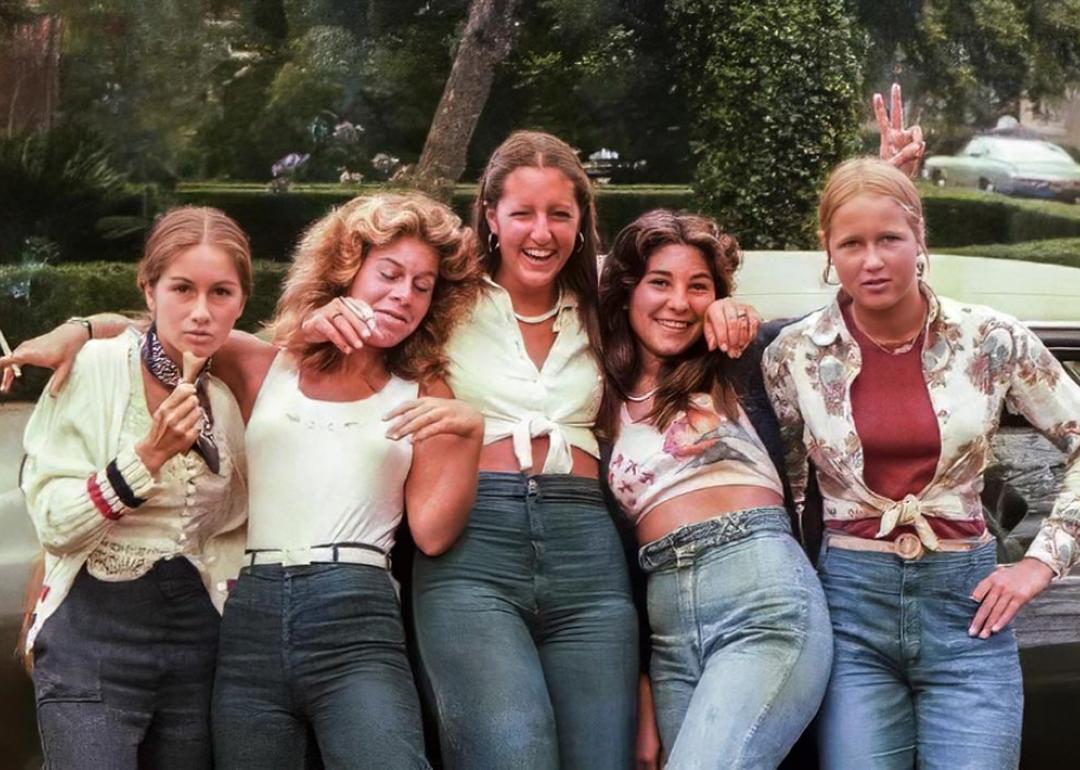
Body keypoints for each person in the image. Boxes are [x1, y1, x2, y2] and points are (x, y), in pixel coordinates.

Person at [302, 132, 757, 770]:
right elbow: (349, 321)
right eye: (522, 213)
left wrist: (728, 309)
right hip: (472, 548)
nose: (540, 233)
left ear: (581, 222)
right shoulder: (445, 296)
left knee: (601, 758)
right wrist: (316, 318)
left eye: (559, 215)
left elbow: (679, 299)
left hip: (588, 553)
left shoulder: (605, 301)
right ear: (490, 216)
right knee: (513, 754)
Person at [762, 157, 1080, 769]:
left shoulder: (988, 339)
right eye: (851, 243)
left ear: (919, 240)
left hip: (970, 613)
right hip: (849, 610)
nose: (872, 260)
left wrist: (1042, 563)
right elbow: (779, 486)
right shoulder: (793, 354)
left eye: (889, 239)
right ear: (828, 250)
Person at [207, 192, 484, 769]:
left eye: (423, 285)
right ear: (345, 271)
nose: (404, 294)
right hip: (250, 612)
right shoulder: (266, 365)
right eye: (389, 273)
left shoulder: (423, 390)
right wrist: (79, 330)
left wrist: (469, 437)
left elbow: (432, 533)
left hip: (356, 612)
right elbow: (162, 330)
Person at [596, 209, 832, 769]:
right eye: (660, 282)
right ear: (628, 290)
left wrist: (741, 316)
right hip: (670, 633)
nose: (678, 302)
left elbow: (845, 329)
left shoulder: (740, 365)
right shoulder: (598, 398)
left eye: (697, 286)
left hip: (763, 599)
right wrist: (646, 687)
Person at [20, 206, 251, 770]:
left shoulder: (224, 401)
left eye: (221, 292)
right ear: (148, 291)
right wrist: (148, 455)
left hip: (196, 641)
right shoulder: (93, 370)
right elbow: (53, 522)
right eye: (181, 288)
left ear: (242, 301)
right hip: (92, 634)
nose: (201, 311)